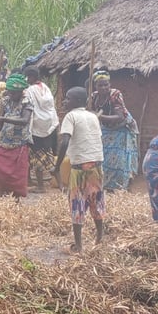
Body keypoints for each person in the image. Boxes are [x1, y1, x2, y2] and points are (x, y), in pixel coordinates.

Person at [54, 87, 105, 252]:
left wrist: (57, 167)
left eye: (67, 98)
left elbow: (65, 142)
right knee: (96, 202)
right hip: (97, 166)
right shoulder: (92, 116)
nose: (64, 101)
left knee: (77, 203)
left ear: (76, 101)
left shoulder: (71, 116)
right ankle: (100, 238)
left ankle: (79, 245)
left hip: (79, 168)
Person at [91, 70, 140, 191]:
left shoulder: (115, 95)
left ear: (110, 84)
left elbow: (120, 116)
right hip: (107, 128)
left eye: (106, 84)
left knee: (120, 158)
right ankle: (108, 184)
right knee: (106, 156)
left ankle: (121, 186)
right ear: (95, 86)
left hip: (123, 128)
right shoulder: (93, 96)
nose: (103, 87)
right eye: (100, 85)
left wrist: (99, 116)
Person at [0, 73, 33, 199]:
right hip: (4, 140)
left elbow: (24, 120)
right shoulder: (5, 100)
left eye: (14, 93)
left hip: (19, 142)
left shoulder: (26, 102)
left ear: (21, 91)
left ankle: (15, 198)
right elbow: (0, 120)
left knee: (16, 174)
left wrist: (4, 119)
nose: (12, 95)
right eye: (10, 92)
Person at [24, 66, 59, 192]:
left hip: (37, 127)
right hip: (49, 126)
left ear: (31, 77)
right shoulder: (45, 87)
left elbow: (28, 106)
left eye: (27, 77)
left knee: (37, 157)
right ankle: (60, 185)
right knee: (48, 156)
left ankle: (40, 186)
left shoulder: (30, 90)